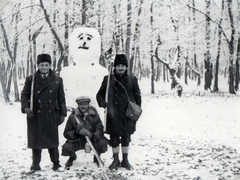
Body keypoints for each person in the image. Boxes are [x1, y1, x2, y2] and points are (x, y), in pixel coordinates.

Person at [21, 53, 67, 172]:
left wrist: (62, 114)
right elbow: (24, 95)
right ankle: (35, 164)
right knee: (36, 141)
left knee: (52, 141)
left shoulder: (57, 80)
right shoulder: (31, 79)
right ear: (38, 65)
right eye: (42, 65)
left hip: (51, 114)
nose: (44, 67)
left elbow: (61, 98)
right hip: (35, 114)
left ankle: (56, 163)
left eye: (46, 65)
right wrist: (26, 108)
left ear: (50, 65)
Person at [96, 54, 141, 170]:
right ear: (115, 67)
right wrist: (102, 103)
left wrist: (136, 111)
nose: (120, 68)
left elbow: (137, 96)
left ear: (126, 67)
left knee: (126, 137)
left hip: (127, 114)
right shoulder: (109, 79)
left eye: (123, 66)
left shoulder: (132, 79)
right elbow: (100, 94)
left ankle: (125, 160)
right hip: (113, 114)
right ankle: (115, 160)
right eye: (118, 66)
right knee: (114, 138)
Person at [61, 96, 108, 168]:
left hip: (92, 140)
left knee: (103, 143)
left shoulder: (94, 115)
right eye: (81, 104)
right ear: (78, 105)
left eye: (85, 104)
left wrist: (92, 135)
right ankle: (72, 157)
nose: (83, 106)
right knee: (66, 147)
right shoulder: (73, 116)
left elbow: (100, 129)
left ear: (88, 104)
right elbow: (66, 133)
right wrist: (77, 132)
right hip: (78, 140)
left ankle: (97, 157)